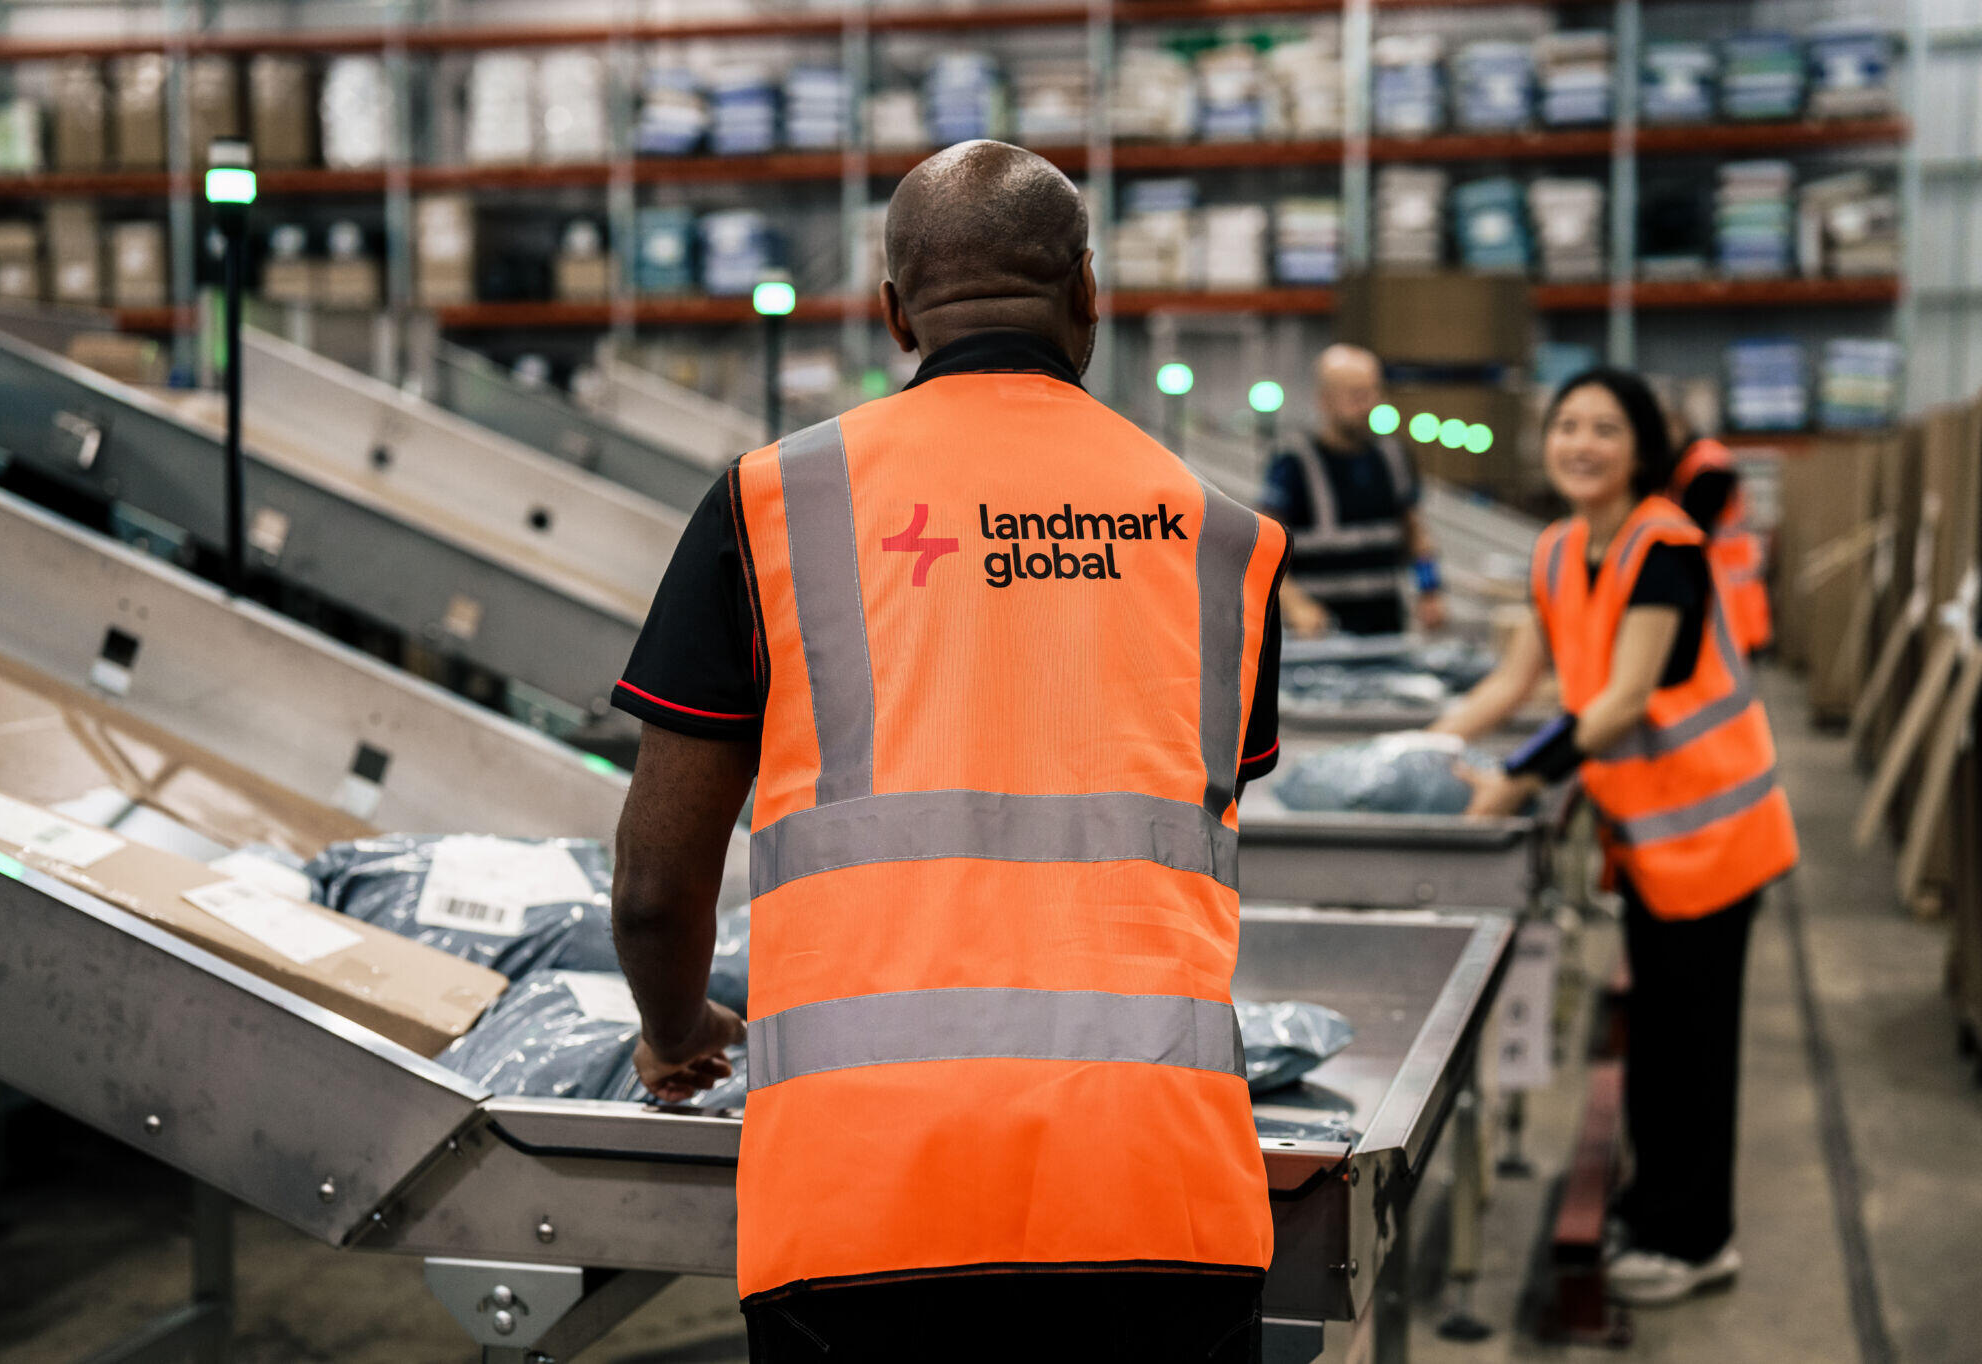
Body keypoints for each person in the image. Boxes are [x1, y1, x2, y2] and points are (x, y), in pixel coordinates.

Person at [606, 140, 1288, 1362]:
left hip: (864, 1197)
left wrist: (676, 1027)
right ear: (1086, 292)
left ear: (893, 312)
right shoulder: (1221, 536)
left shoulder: (772, 502)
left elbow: (656, 887)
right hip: (1156, 1185)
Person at [1431, 367, 1799, 1308]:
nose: (1581, 444)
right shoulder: (1558, 549)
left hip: (1716, 836)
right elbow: (1516, 680)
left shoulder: (1664, 547)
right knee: (1660, 1041)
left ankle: (1697, 1240)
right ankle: (1655, 1211)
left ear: (1641, 448)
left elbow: (1624, 700)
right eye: (1567, 426)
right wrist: (1428, 745)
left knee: (1692, 1048)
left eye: (1604, 428)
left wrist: (1515, 782)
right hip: (1650, 842)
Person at [1260, 343, 1445, 638]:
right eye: (1356, 396)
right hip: (1322, 638)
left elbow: (1415, 534)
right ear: (1324, 400)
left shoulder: (1393, 457)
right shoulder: (1294, 462)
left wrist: (1429, 590)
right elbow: (1263, 548)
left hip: (1385, 630)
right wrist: (1296, 606)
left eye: (1372, 393)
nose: (1367, 405)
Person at [1668, 422, 1774, 655]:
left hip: (1724, 598)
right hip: (1731, 595)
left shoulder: (1705, 464)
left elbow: (1696, 526)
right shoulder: (1703, 458)